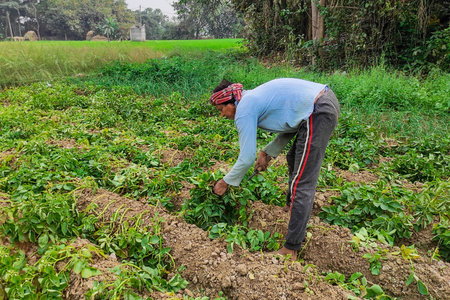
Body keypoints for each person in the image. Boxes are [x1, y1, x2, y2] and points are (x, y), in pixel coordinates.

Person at [210, 78, 340, 258]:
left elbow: (246, 158)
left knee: (302, 181)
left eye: (221, 109)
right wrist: (267, 152)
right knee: (293, 157)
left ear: (231, 102)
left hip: (318, 109)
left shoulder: (244, 109)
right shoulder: (251, 99)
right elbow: (291, 121)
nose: (222, 114)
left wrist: (225, 182)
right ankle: (291, 208)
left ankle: (291, 249)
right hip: (318, 104)